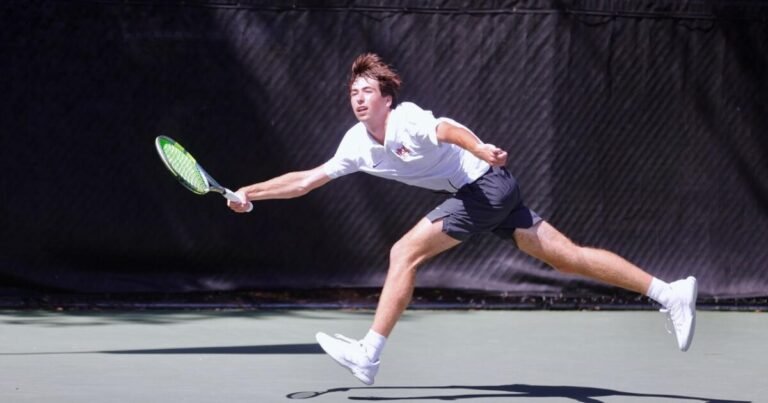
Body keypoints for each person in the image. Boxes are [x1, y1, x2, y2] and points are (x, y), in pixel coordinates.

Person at [227, 53, 698, 385]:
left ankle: (368, 355)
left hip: (486, 183)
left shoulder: (407, 118)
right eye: (353, 92)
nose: (359, 98)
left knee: (403, 253)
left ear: (387, 98)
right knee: (567, 257)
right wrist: (252, 193)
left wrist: (479, 148)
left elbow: (447, 128)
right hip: (485, 193)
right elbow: (308, 179)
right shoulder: (355, 143)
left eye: (367, 91)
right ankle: (669, 293)